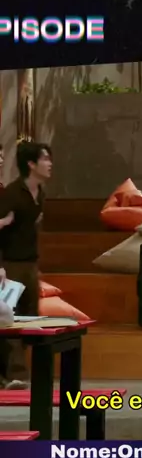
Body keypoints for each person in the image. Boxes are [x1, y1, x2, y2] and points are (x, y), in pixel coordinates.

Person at [0, 142, 52, 389]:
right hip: (9, 264)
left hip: (30, 263)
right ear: (31, 164)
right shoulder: (11, 193)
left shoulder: (40, 193)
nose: (50, 164)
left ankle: (13, 372)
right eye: (45, 159)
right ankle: (16, 375)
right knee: (9, 319)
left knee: (29, 319)